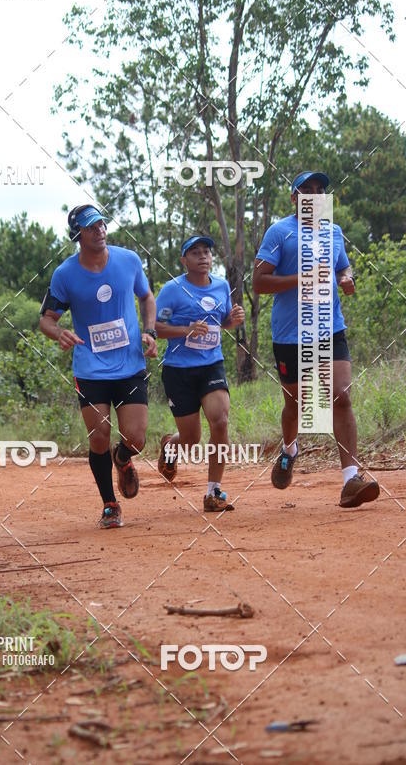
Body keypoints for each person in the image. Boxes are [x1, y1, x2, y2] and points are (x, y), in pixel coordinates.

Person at [252, 170, 379, 509]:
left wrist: (347, 279)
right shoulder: (279, 233)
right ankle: (289, 449)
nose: (314, 195)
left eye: (319, 190)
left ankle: (351, 479)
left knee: (340, 396)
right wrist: (301, 277)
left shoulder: (334, 232)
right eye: (305, 190)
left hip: (329, 328)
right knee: (295, 404)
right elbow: (259, 282)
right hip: (290, 335)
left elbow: (342, 268)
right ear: (294, 198)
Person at [39, 204, 158, 529]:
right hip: (90, 368)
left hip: (129, 363)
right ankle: (109, 504)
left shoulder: (128, 260)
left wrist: (149, 331)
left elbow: (147, 297)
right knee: (99, 436)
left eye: (102, 224)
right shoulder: (65, 274)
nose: (100, 231)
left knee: (135, 437)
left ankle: (123, 459)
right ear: (78, 235)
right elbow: (46, 319)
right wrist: (59, 332)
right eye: (91, 227)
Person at [155, 235, 245, 512]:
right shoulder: (172, 290)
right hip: (178, 370)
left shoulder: (221, 285)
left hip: (211, 365)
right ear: (184, 260)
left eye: (206, 251)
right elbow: (156, 328)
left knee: (220, 420)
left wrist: (234, 319)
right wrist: (185, 330)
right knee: (191, 439)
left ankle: (213, 492)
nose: (203, 257)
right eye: (195, 253)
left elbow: (223, 322)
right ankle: (171, 446)